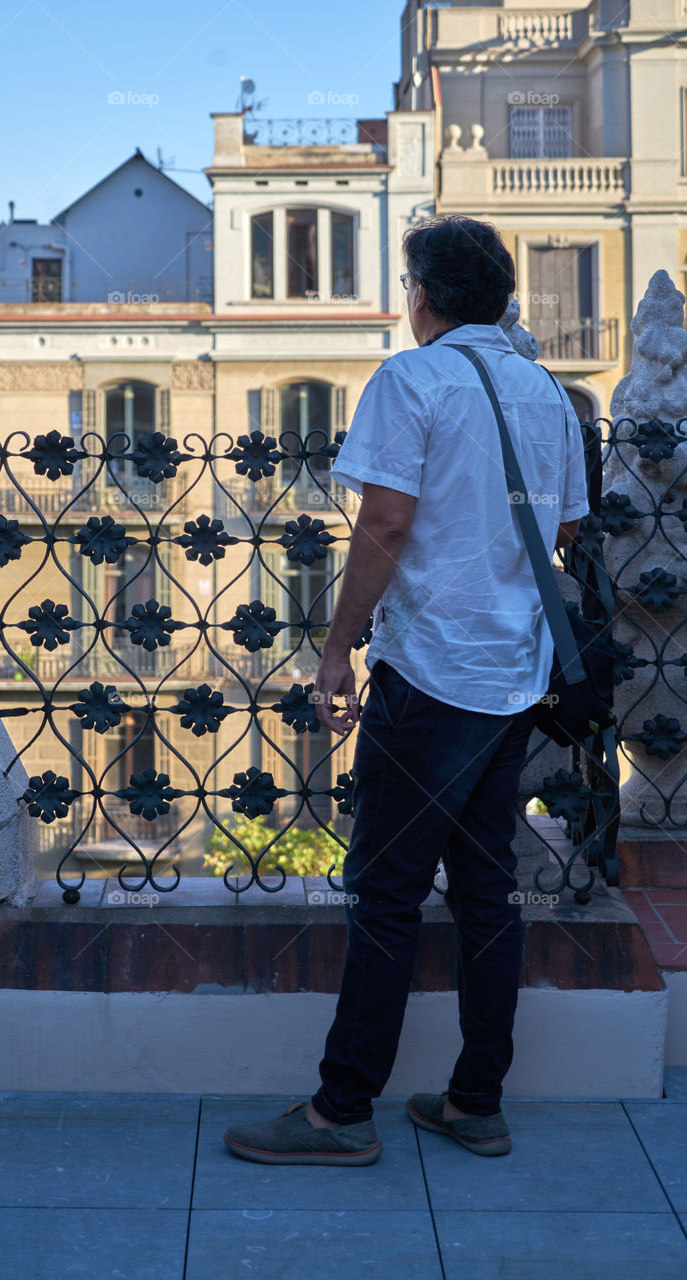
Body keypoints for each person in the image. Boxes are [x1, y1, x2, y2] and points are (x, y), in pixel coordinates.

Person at [223, 214, 589, 1165]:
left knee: (384, 894)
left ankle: (340, 1113)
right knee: (487, 892)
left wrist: (337, 648)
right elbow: (563, 535)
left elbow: (384, 521)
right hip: (513, 678)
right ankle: (475, 1102)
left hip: (429, 677)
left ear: (422, 294)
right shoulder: (547, 392)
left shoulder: (411, 378)